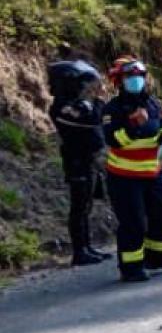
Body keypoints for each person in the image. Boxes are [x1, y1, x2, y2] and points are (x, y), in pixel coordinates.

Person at [102, 56, 162, 282]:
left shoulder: (152, 104)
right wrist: (133, 126)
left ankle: (159, 256)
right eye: (130, 76)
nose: (136, 80)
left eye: (139, 76)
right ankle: (131, 267)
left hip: (152, 172)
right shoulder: (112, 109)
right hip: (124, 176)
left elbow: (157, 127)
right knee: (134, 222)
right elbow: (114, 140)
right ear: (119, 81)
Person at [49, 58, 111, 266]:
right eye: (82, 84)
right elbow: (90, 121)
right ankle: (79, 251)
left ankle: (87, 246)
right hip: (76, 161)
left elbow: (99, 121)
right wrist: (95, 103)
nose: (85, 88)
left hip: (88, 160)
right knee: (79, 207)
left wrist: (94, 103)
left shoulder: (79, 104)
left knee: (86, 206)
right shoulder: (61, 107)